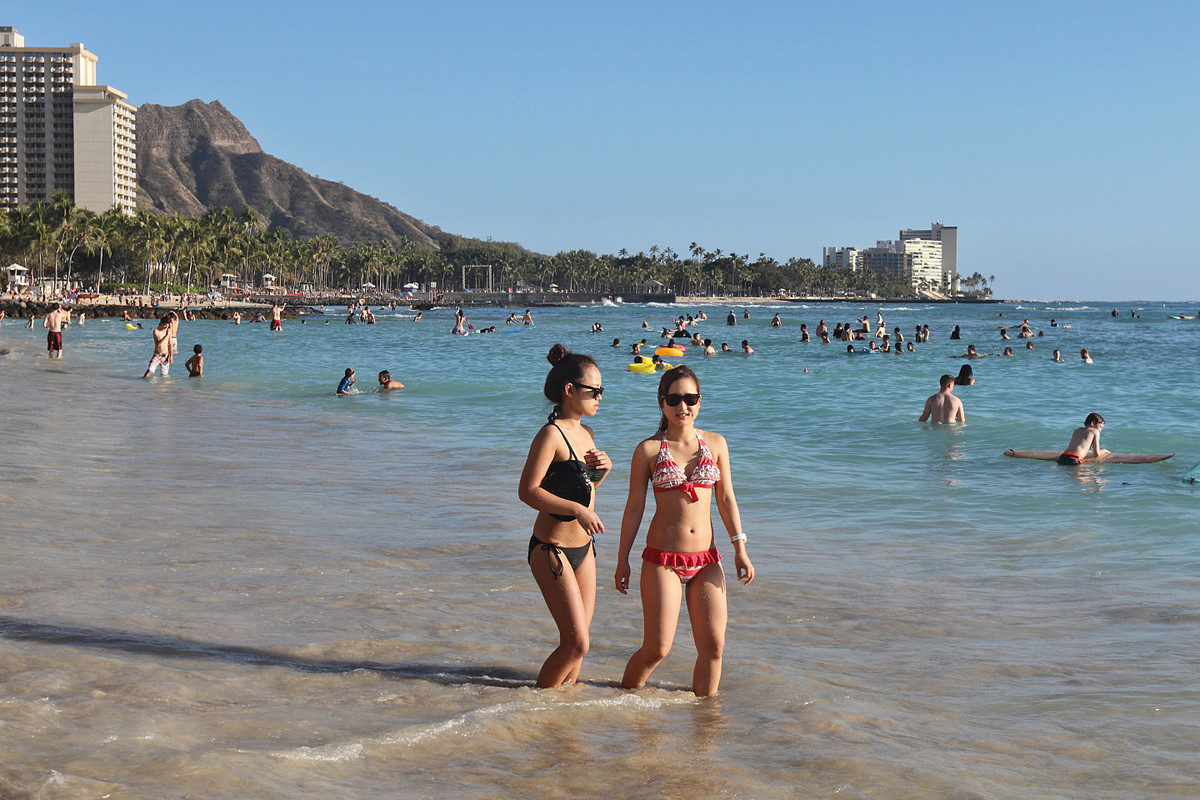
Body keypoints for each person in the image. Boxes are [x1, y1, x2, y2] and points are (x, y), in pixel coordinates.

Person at [615, 366, 753, 697]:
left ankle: (706, 723)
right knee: (657, 649)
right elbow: (634, 507)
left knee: (714, 648)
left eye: (690, 398)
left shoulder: (717, 443)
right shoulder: (648, 450)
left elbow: (726, 498)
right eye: (674, 399)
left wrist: (740, 548)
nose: (683, 407)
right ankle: (622, 702)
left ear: (700, 401)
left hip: (706, 559)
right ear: (662, 402)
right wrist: (622, 560)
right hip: (662, 560)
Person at [517, 344, 611, 688]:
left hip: (583, 551)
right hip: (551, 549)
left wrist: (606, 469)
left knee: (580, 647)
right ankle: (534, 707)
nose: (600, 397)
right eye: (594, 391)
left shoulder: (585, 433)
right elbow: (528, 491)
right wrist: (576, 510)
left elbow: (586, 488)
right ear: (570, 391)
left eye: (602, 391)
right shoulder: (550, 435)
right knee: (576, 642)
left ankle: (562, 717)